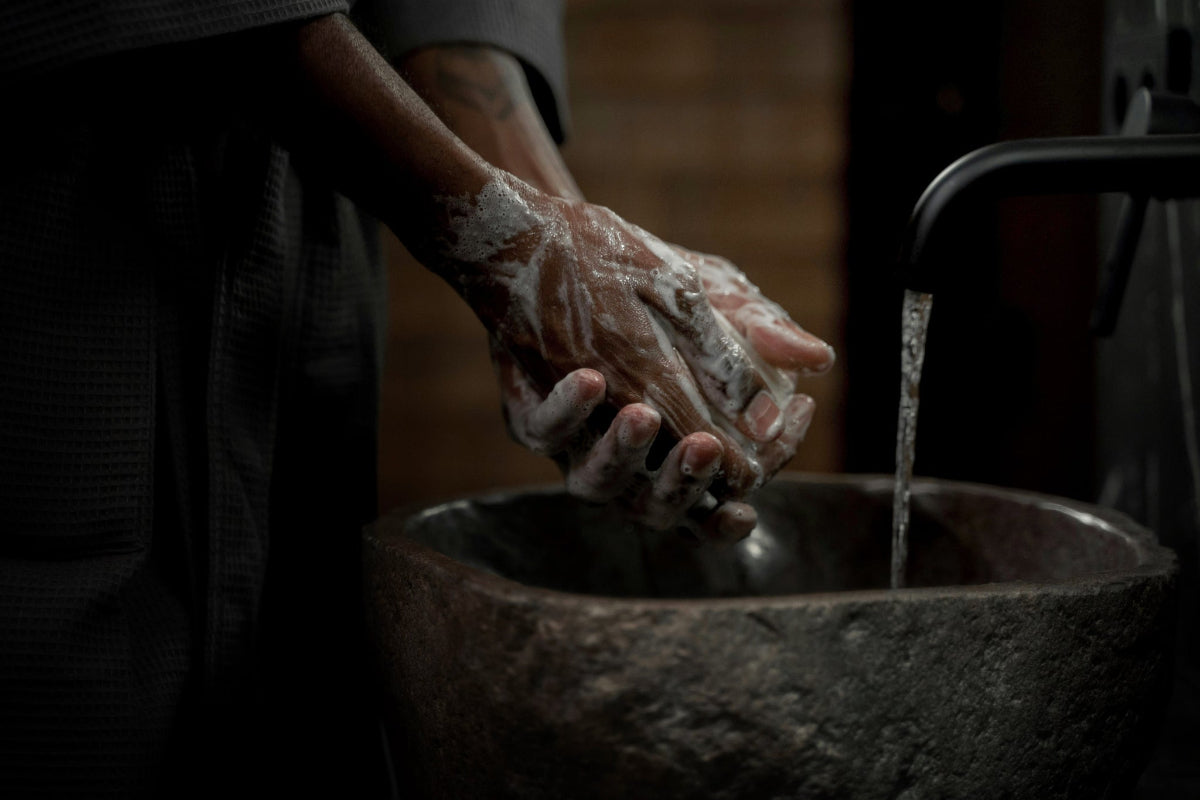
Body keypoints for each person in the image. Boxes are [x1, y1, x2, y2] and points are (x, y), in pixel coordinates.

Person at [0, 2, 834, 795]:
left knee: (295, 684)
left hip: (304, 224)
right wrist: (499, 242)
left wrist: (564, 254)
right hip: (71, 203)